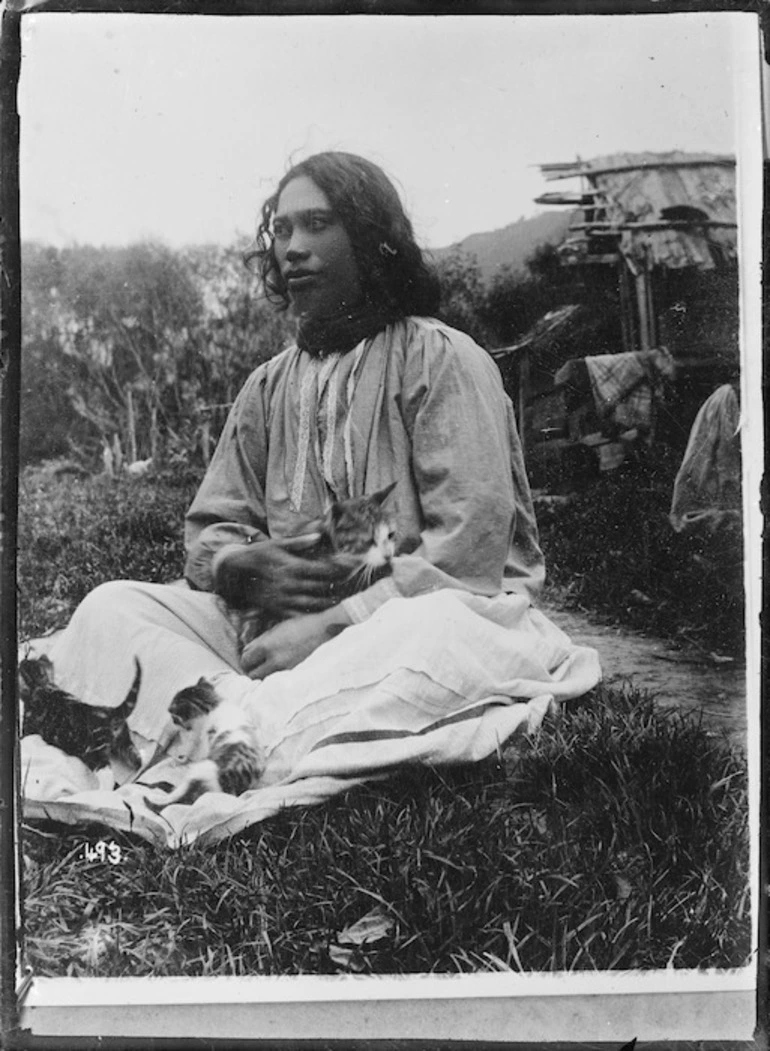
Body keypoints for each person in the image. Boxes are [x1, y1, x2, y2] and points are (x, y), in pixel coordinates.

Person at [28, 152, 598, 779]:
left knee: (437, 636)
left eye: (318, 225)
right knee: (114, 606)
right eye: (281, 230)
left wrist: (331, 626)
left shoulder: (442, 359)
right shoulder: (269, 385)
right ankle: (262, 717)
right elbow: (212, 526)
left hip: (412, 617)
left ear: (373, 240)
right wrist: (238, 564)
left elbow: (468, 552)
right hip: (274, 634)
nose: (292, 248)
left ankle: (231, 724)